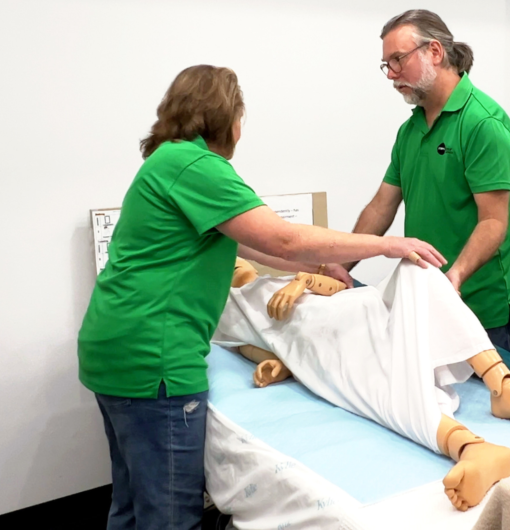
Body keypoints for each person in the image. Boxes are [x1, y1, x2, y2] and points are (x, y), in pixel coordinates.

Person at [77, 65, 445, 530]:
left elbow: (256, 245)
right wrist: (388, 245)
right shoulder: (196, 167)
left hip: (115, 348)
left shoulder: (167, 161)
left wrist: (319, 269)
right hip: (156, 361)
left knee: (131, 507)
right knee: (167, 517)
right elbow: (284, 240)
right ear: (225, 118)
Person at [215, 259, 510, 511]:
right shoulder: (224, 312)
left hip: (353, 308)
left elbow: (338, 290)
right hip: (314, 339)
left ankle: (501, 383)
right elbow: (259, 349)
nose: (235, 265)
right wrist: (278, 366)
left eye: (238, 260)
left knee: (421, 270)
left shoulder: (281, 278)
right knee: (372, 381)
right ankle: (470, 447)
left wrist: (301, 282)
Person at [347, 9, 510, 357]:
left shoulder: (482, 124)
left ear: (434, 51)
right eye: (386, 65)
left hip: (483, 311)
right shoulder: (410, 129)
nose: (391, 74)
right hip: (427, 302)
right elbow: (381, 206)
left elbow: (494, 222)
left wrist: (455, 277)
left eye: (398, 60)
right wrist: (341, 266)